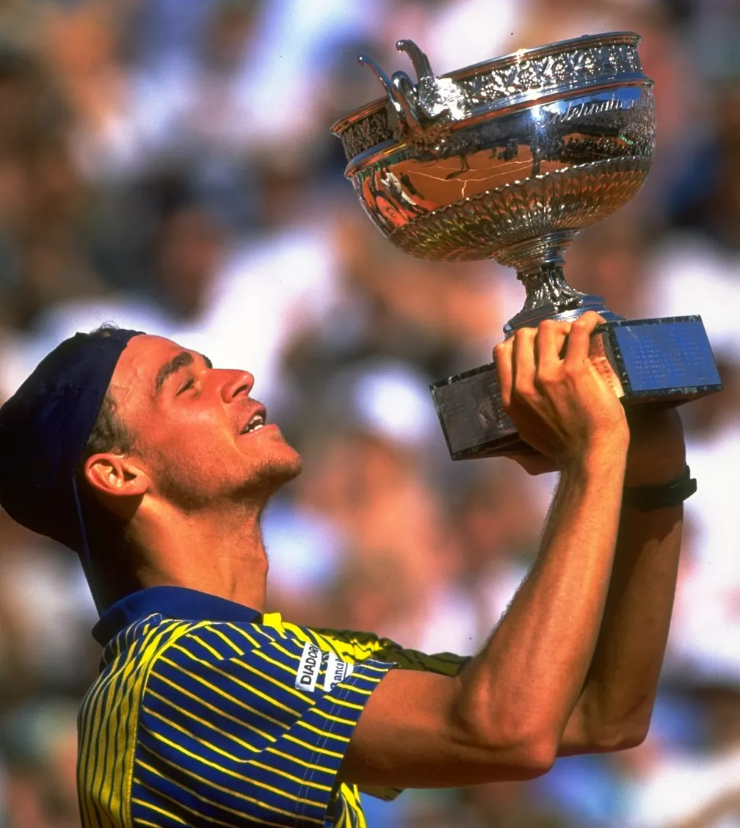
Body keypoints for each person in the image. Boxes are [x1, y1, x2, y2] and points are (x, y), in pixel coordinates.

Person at [0, 311, 692, 828]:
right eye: (186, 386)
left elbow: (600, 714)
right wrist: (593, 454)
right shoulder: (178, 670)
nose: (236, 378)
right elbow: (504, 728)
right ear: (119, 473)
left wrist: (650, 469)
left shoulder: (237, 654)